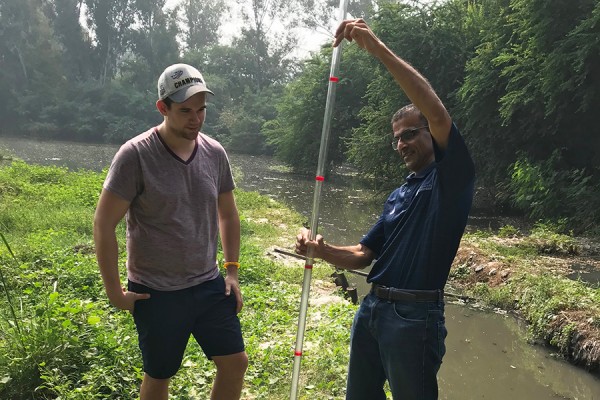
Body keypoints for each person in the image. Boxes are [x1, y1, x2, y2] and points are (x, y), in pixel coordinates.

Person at [295, 19, 475, 400]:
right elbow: (363, 254)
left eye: (411, 133)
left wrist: (377, 49)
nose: (402, 144)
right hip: (373, 310)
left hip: (414, 319)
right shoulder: (397, 196)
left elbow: (438, 112)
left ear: (431, 133)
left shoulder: (451, 179)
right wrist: (322, 250)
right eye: (397, 139)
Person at [93, 63, 248, 400]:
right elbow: (104, 224)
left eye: (202, 109)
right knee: (159, 375)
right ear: (162, 108)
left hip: (207, 284)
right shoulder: (135, 155)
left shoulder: (214, 153)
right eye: (186, 111)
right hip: (156, 290)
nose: (196, 119)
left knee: (235, 362)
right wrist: (114, 292)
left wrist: (232, 272)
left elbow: (228, 215)